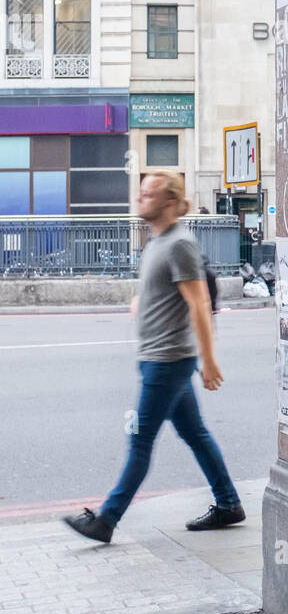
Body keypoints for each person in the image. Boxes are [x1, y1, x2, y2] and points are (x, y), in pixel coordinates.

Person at [63, 171, 245, 543]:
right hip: (159, 359)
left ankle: (106, 520)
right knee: (195, 434)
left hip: (168, 361)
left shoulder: (180, 243)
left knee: (140, 441)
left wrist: (209, 361)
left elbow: (199, 304)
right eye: (141, 192)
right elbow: (167, 296)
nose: (139, 199)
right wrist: (142, 304)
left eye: (148, 194)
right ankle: (228, 502)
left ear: (168, 201)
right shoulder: (157, 242)